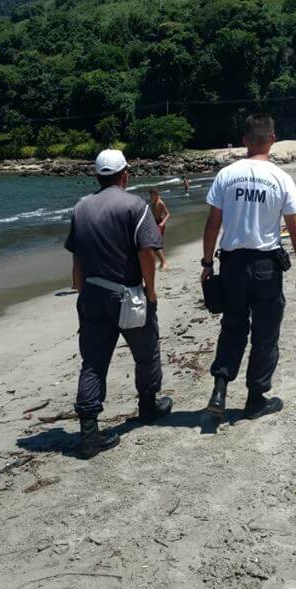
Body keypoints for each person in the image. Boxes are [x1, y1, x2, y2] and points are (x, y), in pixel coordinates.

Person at [200, 114, 296, 421]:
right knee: (265, 333)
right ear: (272, 139)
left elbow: (212, 225)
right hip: (265, 266)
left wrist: (207, 263)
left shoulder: (227, 175)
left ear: (244, 140)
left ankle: (220, 389)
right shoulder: (280, 178)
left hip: (232, 264)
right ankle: (255, 398)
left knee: (233, 328)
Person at [65, 149, 172, 458]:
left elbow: (77, 256)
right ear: (125, 175)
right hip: (127, 295)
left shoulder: (81, 207)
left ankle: (88, 433)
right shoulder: (135, 206)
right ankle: (148, 406)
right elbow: (146, 252)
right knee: (146, 352)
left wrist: (79, 287)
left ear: (98, 177)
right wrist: (150, 291)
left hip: (92, 294)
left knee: (94, 363)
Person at [149, 189, 170, 270]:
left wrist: (162, 223)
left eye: (152, 195)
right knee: (154, 242)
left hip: (159, 224)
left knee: (155, 242)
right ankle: (161, 262)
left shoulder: (160, 202)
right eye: (150, 195)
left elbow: (168, 214)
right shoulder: (152, 203)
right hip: (153, 224)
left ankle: (164, 263)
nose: (151, 197)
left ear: (156, 194)